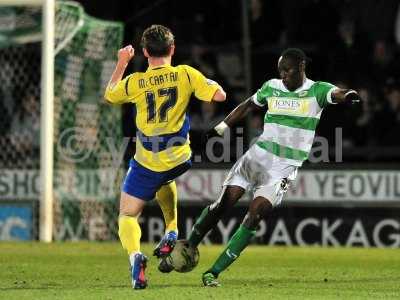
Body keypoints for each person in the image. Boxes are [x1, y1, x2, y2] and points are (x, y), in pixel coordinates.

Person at [186, 48, 361, 287]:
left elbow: (337, 93)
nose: (283, 75)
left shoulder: (317, 90)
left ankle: (213, 273)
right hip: (257, 157)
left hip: (284, 168)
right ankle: (188, 245)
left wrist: (349, 95)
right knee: (223, 204)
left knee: (255, 213)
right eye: (280, 71)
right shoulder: (272, 86)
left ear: (301, 67)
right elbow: (248, 105)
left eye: (287, 70)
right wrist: (221, 127)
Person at [104, 24, 226, 289]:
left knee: (126, 215)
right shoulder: (185, 74)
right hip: (181, 157)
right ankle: (171, 229)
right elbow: (219, 94)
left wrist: (122, 62)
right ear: (172, 49)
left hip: (149, 159)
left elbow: (110, 94)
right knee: (164, 179)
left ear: (145, 52)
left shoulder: (136, 81)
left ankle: (136, 257)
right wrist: (209, 81)